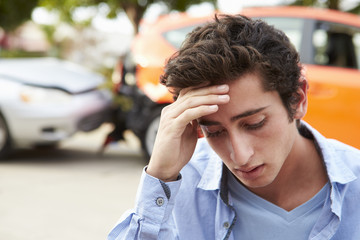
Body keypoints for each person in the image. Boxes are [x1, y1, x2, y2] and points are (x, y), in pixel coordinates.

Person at [108, 14, 360, 240]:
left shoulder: (355, 182)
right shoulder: (182, 183)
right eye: (214, 132)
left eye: (254, 123)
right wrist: (160, 176)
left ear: (297, 99)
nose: (239, 155)